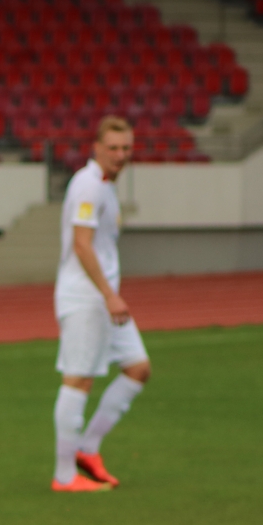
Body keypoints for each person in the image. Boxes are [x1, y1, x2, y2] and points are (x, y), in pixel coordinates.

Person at [51, 116, 149, 493]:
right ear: (96, 148)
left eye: (126, 148)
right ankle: (64, 475)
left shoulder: (105, 186)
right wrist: (109, 294)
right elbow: (81, 244)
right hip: (87, 298)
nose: (120, 155)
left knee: (138, 368)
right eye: (113, 148)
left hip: (104, 298)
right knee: (78, 379)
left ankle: (87, 449)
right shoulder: (89, 187)